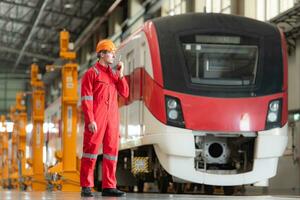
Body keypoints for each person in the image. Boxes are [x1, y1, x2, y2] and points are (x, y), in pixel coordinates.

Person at [80, 39, 129, 197]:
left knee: (111, 151)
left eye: (114, 53)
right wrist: (90, 119)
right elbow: (86, 99)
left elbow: (125, 93)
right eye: (111, 52)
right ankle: (86, 185)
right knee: (91, 150)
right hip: (97, 117)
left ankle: (109, 186)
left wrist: (121, 75)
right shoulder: (91, 74)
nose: (113, 56)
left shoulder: (114, 75)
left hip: (112, 118)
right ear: (101, 54)